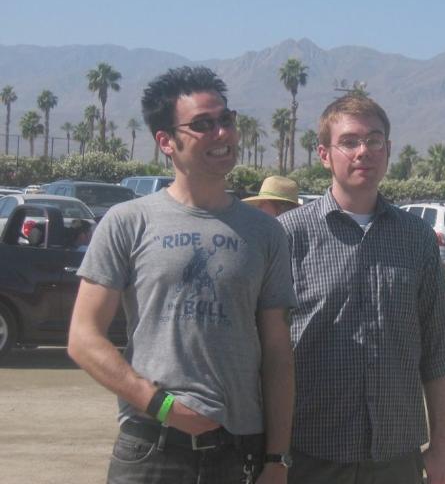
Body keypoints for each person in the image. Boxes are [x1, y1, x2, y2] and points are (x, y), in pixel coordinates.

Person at [67, 66, 297, 484]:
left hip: (239, 452)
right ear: (166, 141)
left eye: (226, 119)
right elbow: (83, 338)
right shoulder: (127, 221)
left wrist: (277, 459)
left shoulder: (266, 233)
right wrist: (163, 406)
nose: (222, 133)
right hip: (151, 448)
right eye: (203, 125)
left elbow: (278, 353)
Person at [278, 95, 445, 484]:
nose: (364, 151)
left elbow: (438, 350)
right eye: (349, 142)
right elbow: (267, 353)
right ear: (324, 155)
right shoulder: (288, 236)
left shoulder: (417, 239)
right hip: (310, 454)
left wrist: (442, 445)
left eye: (374, 140)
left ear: (388, 150)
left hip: (397, 457)